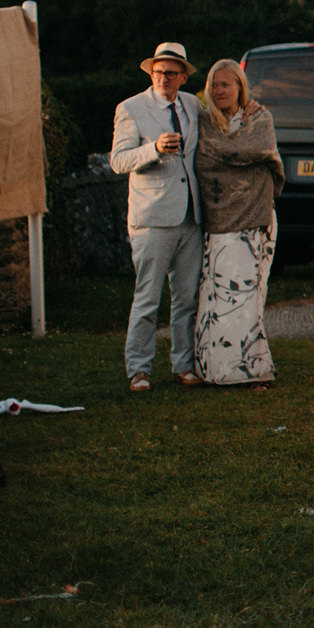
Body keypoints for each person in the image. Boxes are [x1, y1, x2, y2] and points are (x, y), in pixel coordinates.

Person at [110, 42, 205, 393]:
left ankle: (183, 365)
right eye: (158, 72)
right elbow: (118, 161)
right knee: (148, 297)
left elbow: (226, 112)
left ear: (183, 76)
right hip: (152, 217)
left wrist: (250, 108)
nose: (164, 78)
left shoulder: (193, 104)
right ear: (151, 74)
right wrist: (153, 149)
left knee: (187, 298)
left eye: (171, 72)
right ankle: (139, 370)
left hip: (191, 217)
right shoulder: (132, 108)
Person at [193, 59, 284, 387]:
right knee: (219, 297)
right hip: (220, 220)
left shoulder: (259, 117)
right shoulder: (203, 122)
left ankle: (251, 369)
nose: (219, 91)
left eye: (226, 85)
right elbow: (206, 161)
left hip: (255, 219)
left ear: (240, 87)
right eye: (214, 85)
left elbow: (261, 150)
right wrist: (240, 160)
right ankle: (216, 370)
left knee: (247, 296)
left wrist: (232, 157)